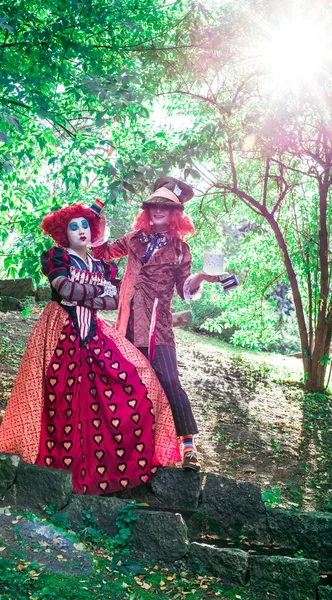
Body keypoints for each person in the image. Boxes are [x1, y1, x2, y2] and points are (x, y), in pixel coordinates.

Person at [0, 201, 180, 495]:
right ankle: (55, 477)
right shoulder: (56, 257)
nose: (81, 230)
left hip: (94, 334)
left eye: (85, 226)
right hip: (60, 332)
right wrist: (93, 293)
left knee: (132, 380)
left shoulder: (102, 266)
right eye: (74, 226)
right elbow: (65, 289)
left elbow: (112, 300)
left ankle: (106, 472)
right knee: (61, 397)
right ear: (63, 233)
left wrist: (85, 294)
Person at [92, 177, 219, 471]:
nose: (158, 210)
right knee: (126, 379)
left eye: (164, 206)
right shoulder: (134, 238)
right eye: (153, 206)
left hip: (157, 326)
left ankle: (188, 447)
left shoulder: (179, 249)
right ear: (147, 211)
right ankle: (126, 444)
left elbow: (184, 288)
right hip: (126, 322)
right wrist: (94, 220)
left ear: (175, 213)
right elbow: (103, 252)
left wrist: (201, 276)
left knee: (170, 380)